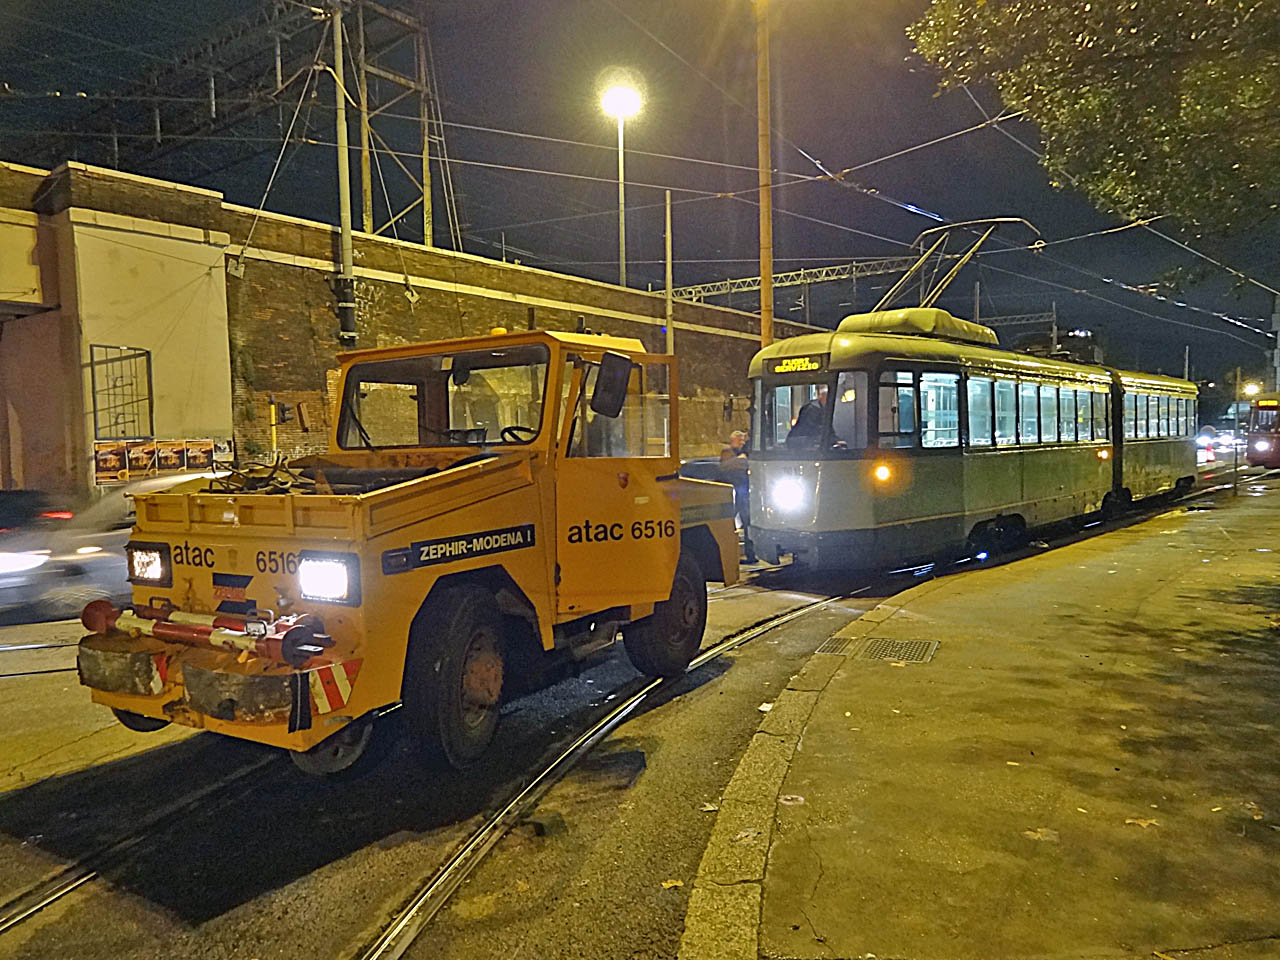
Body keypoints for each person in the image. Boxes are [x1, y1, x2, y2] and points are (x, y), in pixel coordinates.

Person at [719, 429, 756, 563]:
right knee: (729, 522)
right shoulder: (728, 452)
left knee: (747, 522)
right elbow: (727, 466)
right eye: (738, 439)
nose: (741, 441)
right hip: (733, 492)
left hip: (742, 492)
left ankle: (750, 554)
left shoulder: (743, 453)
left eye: (742, 439)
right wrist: (740, 460)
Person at [786, 384, 829, 450]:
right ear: (821, 396)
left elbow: (828, 430)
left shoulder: (825, 411)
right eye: (826, 396)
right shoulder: (811, 410)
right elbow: (813, 431)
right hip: (804, 449)